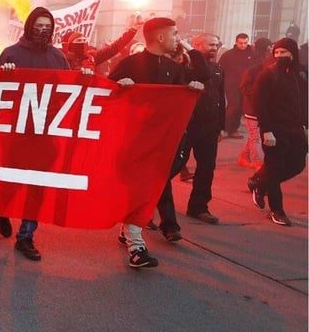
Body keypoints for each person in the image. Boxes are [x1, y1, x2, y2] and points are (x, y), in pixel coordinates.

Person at [110, 17, 206, 268]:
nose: (178, 38)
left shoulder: (174, 69)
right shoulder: (130, 63)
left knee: (150, 188)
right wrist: (121, 87)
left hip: (163, 143)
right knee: (140, 188)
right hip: (134, 140)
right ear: (161, 37)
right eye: (175, 34)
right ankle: (136, 247)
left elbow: (197, 79)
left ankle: (128, 230)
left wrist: (191, 88)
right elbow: (105, 91)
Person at [0, 7, 69, 261]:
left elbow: (70, 90)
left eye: (47, 27)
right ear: (29, 27)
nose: (42, 31)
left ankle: (26, 236)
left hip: (45, 132)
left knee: (37, 185)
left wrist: (87, 78)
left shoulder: (59, 57)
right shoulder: (11, 53)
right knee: (11, 181)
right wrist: (4, 74)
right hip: (17, 131)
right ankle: (2, 210)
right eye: (38, 27)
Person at [247, 38, 308, 227]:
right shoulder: (267, 74)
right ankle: (276, 210)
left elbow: (305, 101)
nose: (280, 56)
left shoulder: (302, 73)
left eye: (284, 52)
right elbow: (260, 104)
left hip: (296, 128)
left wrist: (306, 125)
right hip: (274, 129)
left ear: (293, 53)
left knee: (297, 164)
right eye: (277, 52)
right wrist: (266, 131)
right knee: (275, 169)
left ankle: (259, 182)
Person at [177, 33, 225, 225]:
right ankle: (154, 202)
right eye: (210, 45)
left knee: (207, 168)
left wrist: (221, 126)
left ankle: (199, 207)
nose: (214, 48)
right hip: (188, 125)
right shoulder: (185, 66)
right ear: (196, 45)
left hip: (210, 127)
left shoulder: (218, 69)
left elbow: (221, 99)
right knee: (173, 166)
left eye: (216, 45)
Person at [238, 38, 273, 169]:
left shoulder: (271, 66)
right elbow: (244, 87)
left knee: (254, 135)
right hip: (253, 108)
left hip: (263, 107)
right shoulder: (253, 66)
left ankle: (244, 156)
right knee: (255, 136)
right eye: (270, 47)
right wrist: (261, 92)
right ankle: (259, 162)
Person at [218, 33, 256, 138]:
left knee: (240, 108)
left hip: (245, 86)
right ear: (236, 42)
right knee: (233, 106)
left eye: (245, 43)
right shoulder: (228, 55)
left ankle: (234, 129)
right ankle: (225, 129)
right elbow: (220, 68)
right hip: (231, 85)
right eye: (241, 43)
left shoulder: (252, 55)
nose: (243, 45)